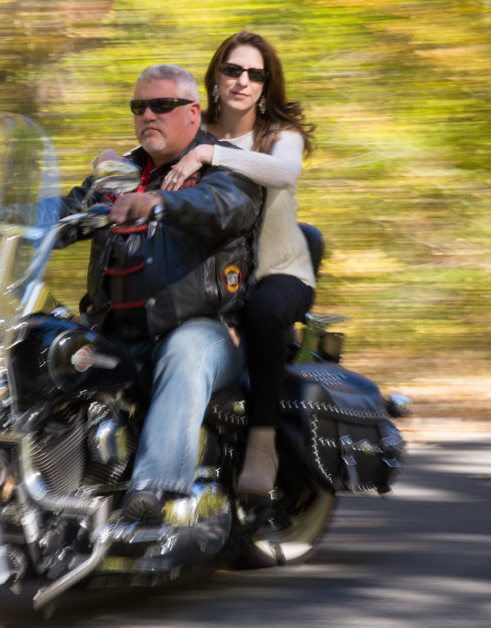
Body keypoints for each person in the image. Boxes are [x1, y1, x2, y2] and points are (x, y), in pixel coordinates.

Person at [48, 64, 264, 521]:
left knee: (184, 352)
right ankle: (52, 494)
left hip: (206, 333)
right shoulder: (121, 174)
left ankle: (154, 493)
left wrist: (162, 202)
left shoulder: (221, 165)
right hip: (118, 334)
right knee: (48, 350)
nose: (148, 114)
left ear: (192, 112)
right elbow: (64, 209)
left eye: (161, 105)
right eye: (138, 107)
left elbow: (227, 206)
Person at [160, 31, 316, 497]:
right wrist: (113, 162)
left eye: (255, 74)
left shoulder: (278, 136)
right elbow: (151, 151)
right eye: (232, 70)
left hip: (279, 273)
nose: (242, 81)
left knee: (264, 312)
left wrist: (211, 153)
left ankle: (263, 443)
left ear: (267, 85)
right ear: (215, 77)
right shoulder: (193, 127)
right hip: (212, 276)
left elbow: (285, 173)